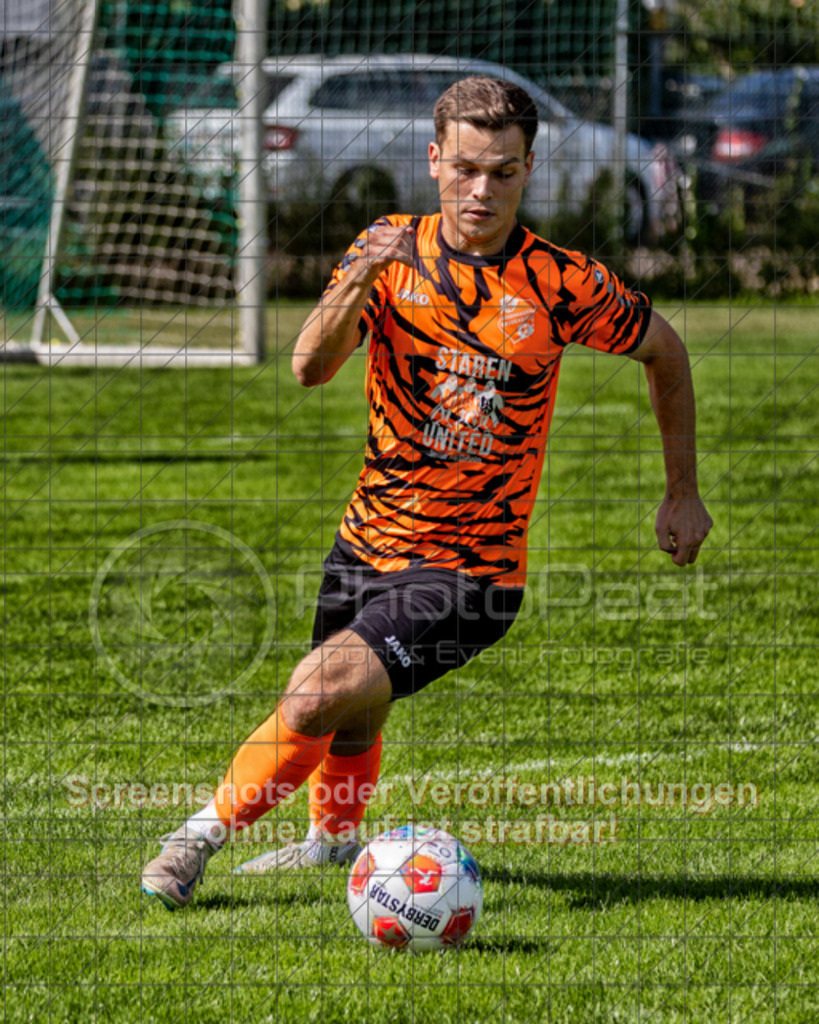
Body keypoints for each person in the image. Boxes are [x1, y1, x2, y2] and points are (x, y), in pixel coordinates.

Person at [141, 76, 713, 909]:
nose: (484, 191)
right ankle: (334, 844)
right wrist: (358, 279)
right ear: (435, 159)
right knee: (348, 708)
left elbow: (666, 352)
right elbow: (308, 367)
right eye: (469, 169)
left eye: (505, 172)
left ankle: (192, 841)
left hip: (472, 573)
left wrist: (681, 491)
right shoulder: (386, 247)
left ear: (527, 169)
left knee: (315, 691)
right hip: (365, 539)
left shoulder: (559, 283)